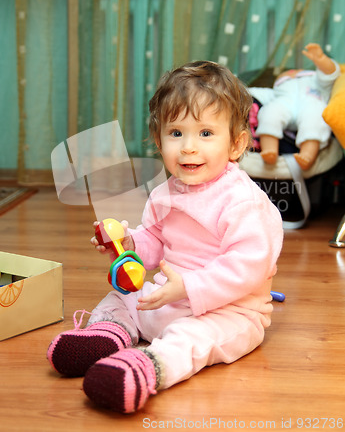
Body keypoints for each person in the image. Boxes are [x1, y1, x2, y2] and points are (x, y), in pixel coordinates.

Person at [47, 61, 284, 414]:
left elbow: (247, 266)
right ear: (159, 141)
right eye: (176, 133)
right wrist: (127, 245)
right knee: (121, 297)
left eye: (205, 133)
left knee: (193, 339)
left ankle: (147, 367)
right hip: (164, 297)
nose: (188, 147)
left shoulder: (244, 202)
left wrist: (189, 288)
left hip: (227, 310)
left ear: (235, 145)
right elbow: (154, 241)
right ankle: (108, 332)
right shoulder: (165, 193)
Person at [250, 43, 340, 170]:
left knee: (315, 117)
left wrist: (321, 59)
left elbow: (330, 74)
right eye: (287, 73)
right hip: (283, 104)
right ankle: (269, 150)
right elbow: (253, 92)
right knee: (268, 112)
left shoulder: (316, 81)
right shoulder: (278, 90)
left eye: (297, 71)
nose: (292, 73)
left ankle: (308, 155)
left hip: (311, 102)